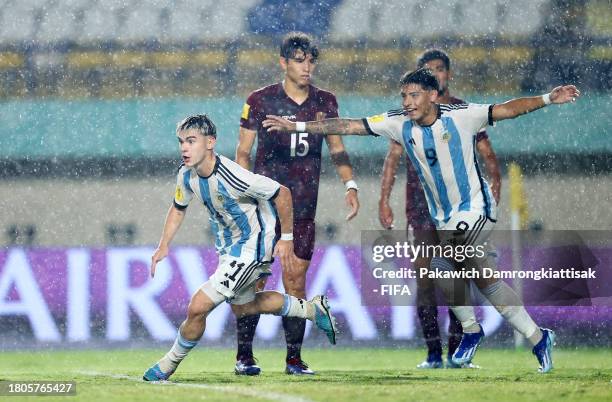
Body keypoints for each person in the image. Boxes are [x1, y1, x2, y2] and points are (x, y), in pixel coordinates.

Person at [263, 68, 580, 373]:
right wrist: (297, 128)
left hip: (476, 208)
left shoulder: (462, 116)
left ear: (432, 95)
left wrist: (548, 98)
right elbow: (348, 125)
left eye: (414, 95)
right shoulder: (398, 124)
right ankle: (539, 338)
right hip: (445, 218)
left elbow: (509, 109)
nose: (407, 102)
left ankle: (470, 330)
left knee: (441, 265)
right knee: (487, 281)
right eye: (404, 96)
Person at [142, 114, 338, 381]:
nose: (184, 148)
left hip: (254, 245)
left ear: (210, 142)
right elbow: (178, 207)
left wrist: (287, 238)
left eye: (191, 141)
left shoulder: (232, 175)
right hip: (230, 249)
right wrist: (163, 244)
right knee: (246, 307)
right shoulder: (186, 175)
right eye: (181, 142)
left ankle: (168, 365)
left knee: (198, 306)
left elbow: (282, 193)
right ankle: (313, 310)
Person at [235, 32, 360, 375]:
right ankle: (244, 356)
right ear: (283, 63)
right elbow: (243, 153)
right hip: (265, 209)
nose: (307, 67)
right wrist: (246, 193)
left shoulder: (326, 101)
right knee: (255, 281)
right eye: (299, 61)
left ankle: (293, 359)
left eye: (311, 61)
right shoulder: (259, 100)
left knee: (295, 282)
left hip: (304, 208)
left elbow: (336, 148)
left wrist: (350, 184)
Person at [378, 49, 501, 369]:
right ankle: (433, 353)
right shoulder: (409, 112)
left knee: (460, 278)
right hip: (420, 206)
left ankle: (459, 352)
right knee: (425, 278)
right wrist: (384, 199)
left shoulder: (462, 110)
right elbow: (392, 157)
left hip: (459, 209)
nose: (435, 73)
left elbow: (487, 155)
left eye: (439, 69)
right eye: (427, 69)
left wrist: (492, 196)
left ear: (446, 76)